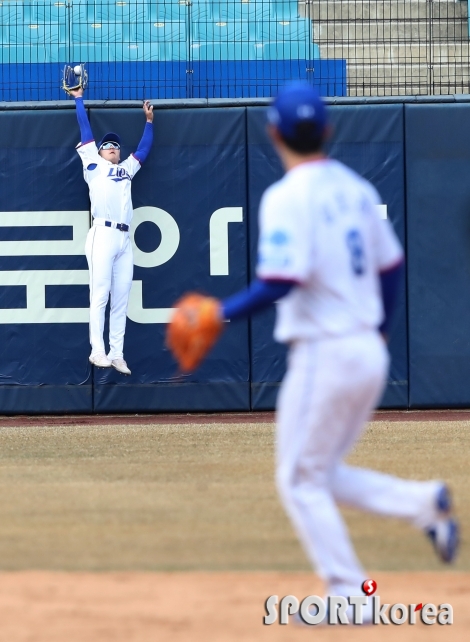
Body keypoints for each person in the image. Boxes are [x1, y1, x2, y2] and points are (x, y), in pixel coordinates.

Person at [171, 83, 459, 623]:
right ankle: (423, 504)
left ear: (273, 132)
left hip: (325, 353)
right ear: (328, 130)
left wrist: (219, 313)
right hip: (366, 351)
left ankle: (349, 594)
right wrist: (382, 332)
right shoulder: (353, 188)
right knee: (319, 473)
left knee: (299, 479)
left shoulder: (286, 196)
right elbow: (391, 264)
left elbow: (281, 280)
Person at [69, 86, 154, 375]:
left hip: (123, 238)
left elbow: (143, 150)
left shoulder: (127, 168)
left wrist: (149, 122)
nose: (113, 148)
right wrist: (79, 98)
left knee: (121, 298)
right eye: (109, 146)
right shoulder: (93, 163)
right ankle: (97, 350)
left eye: (116, 146)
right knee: (100, 294)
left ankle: (117, 353)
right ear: (100, 151)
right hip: (102, 234)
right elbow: (85, 129)